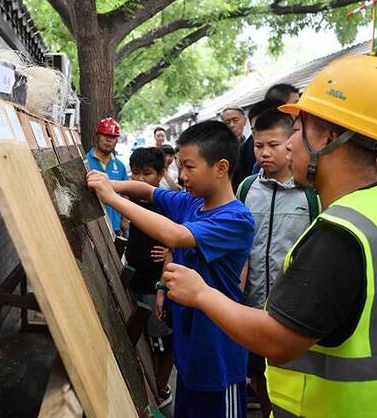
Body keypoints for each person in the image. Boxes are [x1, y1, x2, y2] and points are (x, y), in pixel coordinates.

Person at [160, 55, 377, 416]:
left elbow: (277, 339)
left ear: (328, 136)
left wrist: (201, 293)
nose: (288, 146)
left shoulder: (340, 234)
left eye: (297, 130)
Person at [87, 120, 255, 418]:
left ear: (221, 167)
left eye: (190, 167)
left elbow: (175, 236)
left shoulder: (235, 219)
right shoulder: (192, 203)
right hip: (190, 354)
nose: (182, 175)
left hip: (218, 359)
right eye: (180, 166)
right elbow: (147, 191)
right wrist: (108, 184)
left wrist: (111, 199)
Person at [236, 108, 319, 417]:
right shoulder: (246, 189)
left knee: (294, 378)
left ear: (292, 144)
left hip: (293, 309)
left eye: (273, 145)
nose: (265, 153)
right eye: (259, 146)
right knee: (259, 374)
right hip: (252, 305)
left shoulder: (311, 193)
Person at [125, 147, 174, 409]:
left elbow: (184, 235)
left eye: (147, 173)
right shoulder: (131, 198)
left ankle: (161, 387)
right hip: (135, 281)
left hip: (156, 285)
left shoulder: (167, 203)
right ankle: (149, 384)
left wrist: (171, 250)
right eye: (135, 173)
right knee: (143, 337)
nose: (141, 179)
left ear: (161, 173)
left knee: (161, 342)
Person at [86, 117, 128, 235]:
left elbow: (126, 195)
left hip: (114, 226)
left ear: (117, 140)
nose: (109, 140)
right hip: (92, 228)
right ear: (98, 136)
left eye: (113, 137)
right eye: (105, 135)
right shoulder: (84, 161)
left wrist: (124, 220)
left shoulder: (120, 166)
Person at [221, 107, 252, 191]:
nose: (231, 125)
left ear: (245, 121)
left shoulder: (251, 144)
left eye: (235, 120)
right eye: (227, 123)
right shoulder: (219, 148)